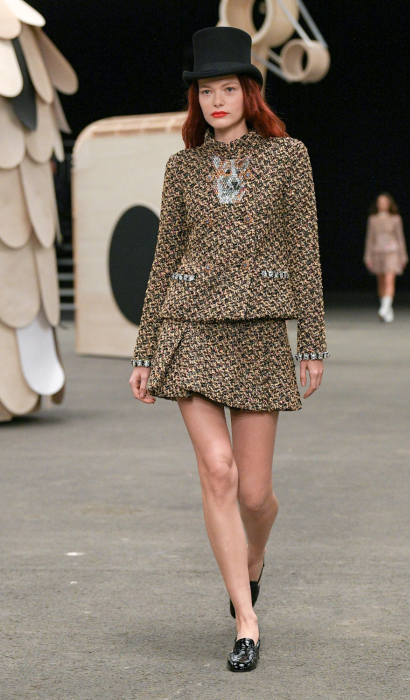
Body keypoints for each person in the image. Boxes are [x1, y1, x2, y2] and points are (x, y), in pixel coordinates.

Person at [129, 26, 328, 672]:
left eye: (227, 89)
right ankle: (246, 619)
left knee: (255, 496)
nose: (216, 101)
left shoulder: (288, 157)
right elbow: (164, 258)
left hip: (258, 332)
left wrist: (311, 340)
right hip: (189, 328)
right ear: (197, 99)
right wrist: (145, 351)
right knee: (218, 471)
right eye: (205, 91)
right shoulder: (181, 167)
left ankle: (254, 556)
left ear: (249, 93)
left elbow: (304, 250)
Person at [364, 193, 408, 322]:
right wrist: (367, 257)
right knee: (381, 281)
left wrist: (403, 256)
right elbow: (370, 239)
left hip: (392, 252)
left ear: (389, 204)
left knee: (389, 280)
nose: (382, 204)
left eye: (385, 202)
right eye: (380, 202)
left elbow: (400, 238)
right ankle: (388, 310)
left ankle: (384, 308)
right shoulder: (373, 219)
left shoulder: (395, 219)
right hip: (377, 252)